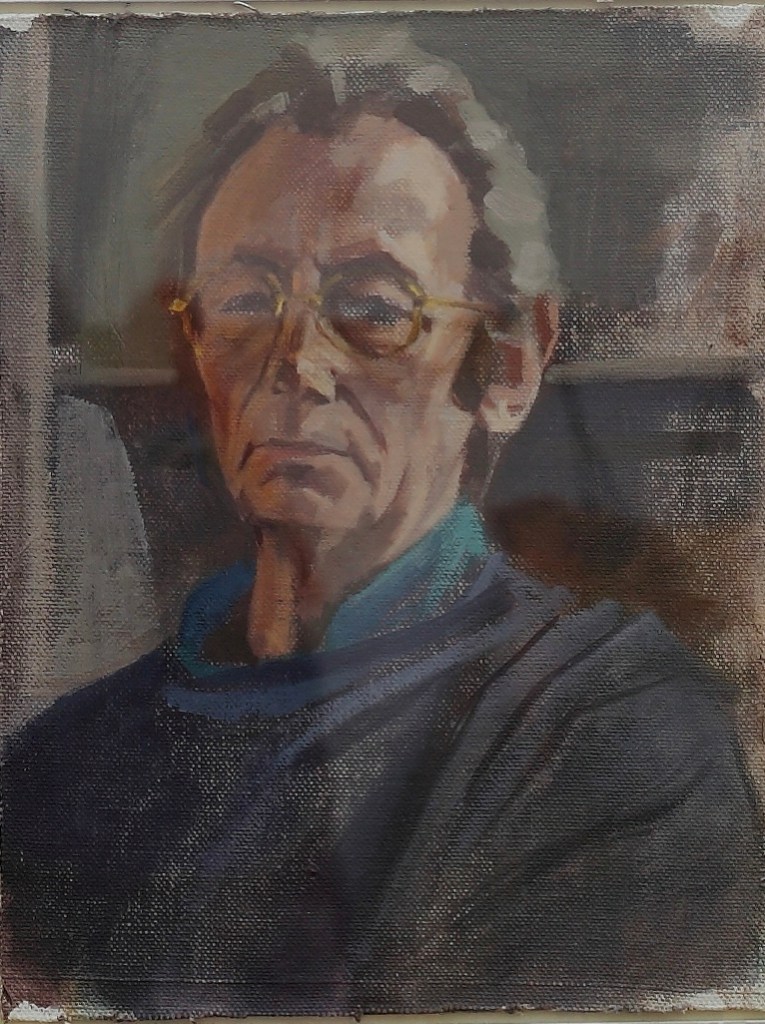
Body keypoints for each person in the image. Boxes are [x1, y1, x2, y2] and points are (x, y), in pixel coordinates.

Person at [2, 29, 762, 1017]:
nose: (298, 362)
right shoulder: (63, 764)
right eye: (245, 299)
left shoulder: (609, 735)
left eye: (371, 305)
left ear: (510, 363)